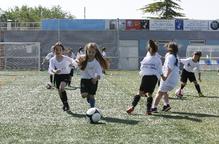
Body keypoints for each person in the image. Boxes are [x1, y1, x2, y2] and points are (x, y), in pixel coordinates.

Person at [126, 40, 165, 115]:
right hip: (154, 78)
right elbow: (160, 70)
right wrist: (163, 77)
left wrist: (142, 73)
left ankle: (132, 107)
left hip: (146, 77)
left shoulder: (146, 58)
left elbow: (142, 68)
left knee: (139, 93)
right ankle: (148, 110)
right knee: (149, 94)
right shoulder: (158, 59)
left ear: (149, 50)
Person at [77, 42, 108, 108]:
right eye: (89, 52)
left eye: (93, 52)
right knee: (83, 95)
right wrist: (74, 64)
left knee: (92, 95)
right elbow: (75, 63)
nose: (91, 54)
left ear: (96, 52)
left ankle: (92, 109)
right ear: (86, 51)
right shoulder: (82, 59)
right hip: (84, 80)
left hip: (93, 80)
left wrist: (95, 78)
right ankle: (88, 97)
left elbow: (99, 74)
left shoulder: (96, 62)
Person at [151, 42, 180, 113]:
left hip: (168, 78)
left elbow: (169, 68)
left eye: (168, 46)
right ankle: (166, 105)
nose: (166, 47)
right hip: (174, 78)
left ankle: (153, 108)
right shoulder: (175, 56)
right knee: (164, 92)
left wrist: (165, 77)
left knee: (159, 92)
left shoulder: (170, 57)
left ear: (170, 48)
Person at [49, 42, 77, 111]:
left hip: (65, 76)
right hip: (57, 76)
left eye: (60, 50)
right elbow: (51, 68)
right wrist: (55, 71)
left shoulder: (66, 58)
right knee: (59, 91)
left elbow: (74, 62)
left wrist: (73, 65)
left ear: (63, 51)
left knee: (62, 88)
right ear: (54, 51)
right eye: (56, 50)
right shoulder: (52, 60)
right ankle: (65, 104)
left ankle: (66, 105)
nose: (58, 51)